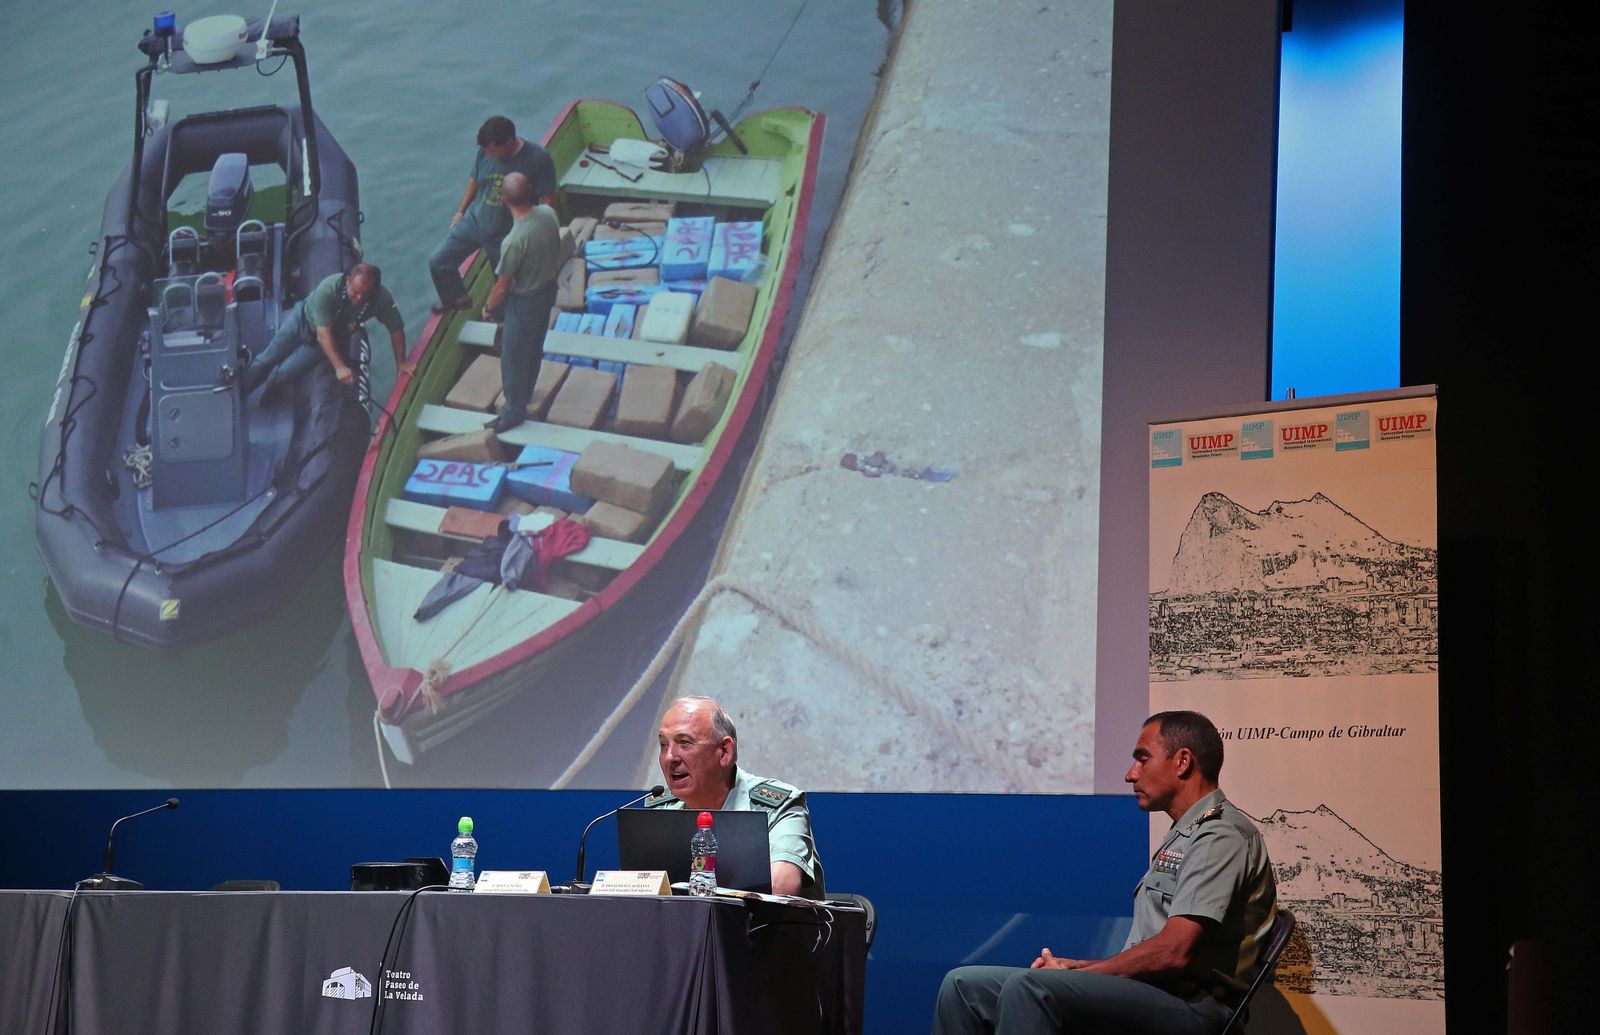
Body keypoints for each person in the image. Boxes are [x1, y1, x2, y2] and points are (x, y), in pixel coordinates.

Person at [932, 710, 1277, 1035]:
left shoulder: (1220, 836)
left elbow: (1173, 952)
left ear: (1183, 761)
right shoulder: (1186, 833)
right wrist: (1078, 970)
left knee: (1032, 988)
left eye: (1143, 759)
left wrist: (1082, 975)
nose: (1130, 774)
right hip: (1154, 993)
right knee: (963, 986)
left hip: (1194, 1009)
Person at [646, 696, 826, 898]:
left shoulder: (777, 807)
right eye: (663, 744)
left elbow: (780, 888)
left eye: (685, 742)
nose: (670, 757)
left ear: (724, 752)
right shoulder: (661, 811)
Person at [428, 115, 558, 314]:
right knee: (438, 261)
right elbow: (474, 180)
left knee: (504, 286)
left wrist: (537, 232)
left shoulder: (538, 159)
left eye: (493, 150)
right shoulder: (485, 153)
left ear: (508, 141)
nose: (489, 154)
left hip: (506, 234)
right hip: (475, 220)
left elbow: (547, 200)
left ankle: (499, 324)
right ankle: (456, 298)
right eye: (486, 150)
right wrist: (461, 211)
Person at [242, 263, 410, 400]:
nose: (358, 298)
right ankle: (241, 392)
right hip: (304, 322)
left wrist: (401, 362)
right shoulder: (329, 289)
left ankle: (270, 392)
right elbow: (323, 334)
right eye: (355, 292)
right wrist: (340, 367)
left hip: (330, 338)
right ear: (348, 282)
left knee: (285, 373)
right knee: (266, 360)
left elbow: (396, 329)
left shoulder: (382, 299)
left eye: (364, 294)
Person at [479, 171, 561, 433]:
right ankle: (525, 394)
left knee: (512, 357)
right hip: (548, 292)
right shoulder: (548, 214)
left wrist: (489, 307)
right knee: (534, 345)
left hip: (525, 302)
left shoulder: (513, 241)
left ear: (504, 201)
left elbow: (502, 286)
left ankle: (514, 412)